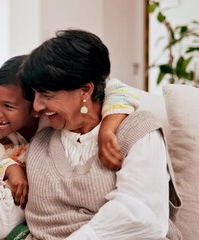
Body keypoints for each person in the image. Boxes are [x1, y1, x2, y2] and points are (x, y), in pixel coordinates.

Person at [18, 29, 181, 239]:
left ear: (85, 90)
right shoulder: (40, 139)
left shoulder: (137, 131)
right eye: (35, 94)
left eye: (47, 95)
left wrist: (108, 127)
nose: (37, 106)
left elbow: (143, 215)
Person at [0, 55, 141, 239]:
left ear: (36, 107)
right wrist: (8, 167)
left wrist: (107, 130)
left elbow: (116, 88)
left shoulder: (54, 119)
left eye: (8, 105)